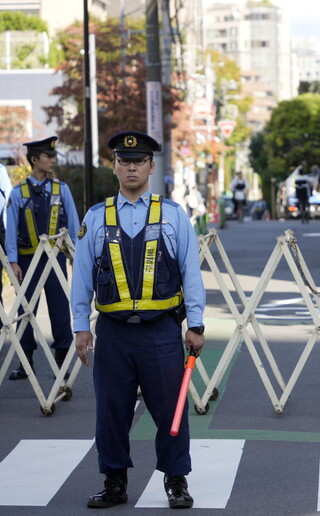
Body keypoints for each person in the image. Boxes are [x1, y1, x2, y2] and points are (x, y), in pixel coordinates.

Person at [70, 131, 206, 509]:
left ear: (150, 165)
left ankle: (175, 482)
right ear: (114, 167)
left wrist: (195, 324)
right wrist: (81, 327)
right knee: (111, 411)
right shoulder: (96, 217)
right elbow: (81, 276)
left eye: (138, 161)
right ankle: (115, 482)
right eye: (123, 161)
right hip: (112, 333)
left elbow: (190, 272)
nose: (131, 167)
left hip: (161, 331)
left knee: (170, 410)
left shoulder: (173, 215)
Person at [6, 136, 80, 380]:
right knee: (25, 310)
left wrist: (76, 256)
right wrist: (13, 262)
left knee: (60, 309)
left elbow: (74, 223)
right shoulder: (18, 193)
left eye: (53, 156)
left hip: (55, 260)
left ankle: (62, 360)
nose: (53, 160)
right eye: (48, 157)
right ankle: (25, 362)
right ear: (35, 160)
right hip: (27, 263)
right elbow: (11, 228)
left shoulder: (62, 189)